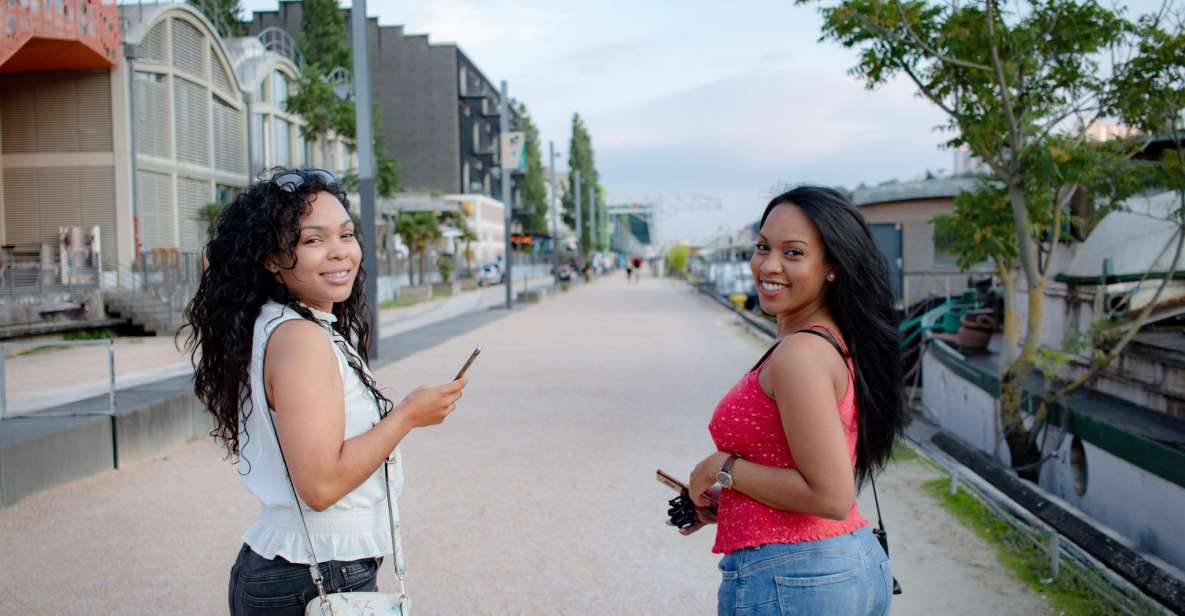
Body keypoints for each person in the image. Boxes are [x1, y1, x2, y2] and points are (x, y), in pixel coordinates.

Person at [182, 168, 467, 615]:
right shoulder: (301, 339)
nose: (340, 253)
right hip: (313, 574)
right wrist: (408, 415)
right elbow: (320, 484)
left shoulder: (291, 325)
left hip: (307, 566)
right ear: (272, 258)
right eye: (314, 240)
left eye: (346, 235)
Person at [678, 186, 905, 615]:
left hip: (795, 578)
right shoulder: (827, 343)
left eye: (794, 252)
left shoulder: (802, 354)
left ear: (833, 267)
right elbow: (796, 468)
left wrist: (721, 468)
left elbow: (831, 495)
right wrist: (734, 497)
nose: (769, 265)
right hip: (835, 568)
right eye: (763, 247)